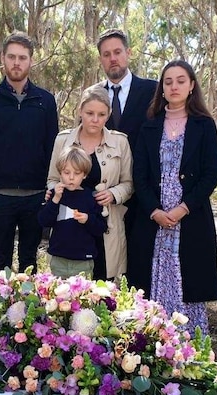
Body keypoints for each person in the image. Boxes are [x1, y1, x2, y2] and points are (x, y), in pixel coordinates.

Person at [126, 60, 217, 334]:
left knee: (188, 284)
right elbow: (139, 176)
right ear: (162, 89)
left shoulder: (204, 125)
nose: (174, 86)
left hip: (189, 220)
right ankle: (154, 350)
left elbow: (211, 174)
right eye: (168, 81)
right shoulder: (150, 127)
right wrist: (154, 211)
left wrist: (183, 208)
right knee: (148, 284)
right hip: (153, 221)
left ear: (192, 86)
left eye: (181, 80)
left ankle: (188, 353)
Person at [0, 31, 59, 274]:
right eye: (12, 57)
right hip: (0, 197)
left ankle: (28, 312)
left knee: (30, 264)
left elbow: (53, 148)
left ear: (31, 60)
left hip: (36, 197)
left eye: (22, 57)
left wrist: (48, 191)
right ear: (3, 58)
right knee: (1, 265)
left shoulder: (45, 101)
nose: (17, 62)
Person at [46, 84, 133, 280]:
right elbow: (52, 179)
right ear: (80, 111)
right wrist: (56, 191)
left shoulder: (120, 143)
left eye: (101, 114)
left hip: (104, 224)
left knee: (102, 287)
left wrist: (113, 194)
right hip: (69, 227)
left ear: (109, 114)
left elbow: (128, 183)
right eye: (89, 113)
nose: (95, 120)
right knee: (68, 292)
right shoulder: (63, 141)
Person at [96, 28, 158, 243]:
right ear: (101, 59)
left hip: (145, 192)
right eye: (106, 54)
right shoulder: (93, 95)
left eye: (117, 52)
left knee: (138, 264)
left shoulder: (153, 91)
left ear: (128, 53)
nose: (113, 58)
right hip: (105, 194)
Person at [38, 146, 107, 278]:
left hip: (83, 260)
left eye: (76, 173)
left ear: (84, 174)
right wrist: (55, 200)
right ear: (60, 173)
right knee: (58, 295)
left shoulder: (90, 197)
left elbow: (101, 227)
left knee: (81, 296)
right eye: (66, 172)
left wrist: (88, 219)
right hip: (59, 258)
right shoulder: (55, 194)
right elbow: (44, 221)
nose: (71, 178)